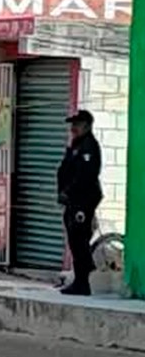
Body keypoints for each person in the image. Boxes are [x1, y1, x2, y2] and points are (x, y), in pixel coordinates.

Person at [57, 110, 102, 296]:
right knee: (75, 239)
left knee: (79, 239)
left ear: (86, 126)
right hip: (74, 201)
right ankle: (83, 277)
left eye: (77, 124)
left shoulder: (88, 146)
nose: (73, 128)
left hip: (82, 200)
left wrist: (69, 191)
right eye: (72, 124)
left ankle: (83, 282)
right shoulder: (77, 144)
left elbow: (85, 176)